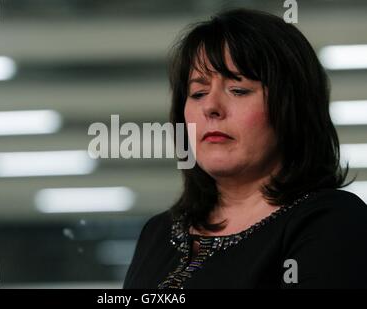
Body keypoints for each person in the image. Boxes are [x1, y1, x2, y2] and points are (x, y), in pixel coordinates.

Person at [123, 8, 367, 289]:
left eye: (238, 90)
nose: (211, 107)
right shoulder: (158, 232)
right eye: (198, 93)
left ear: (291, 107)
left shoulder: (332, 223)